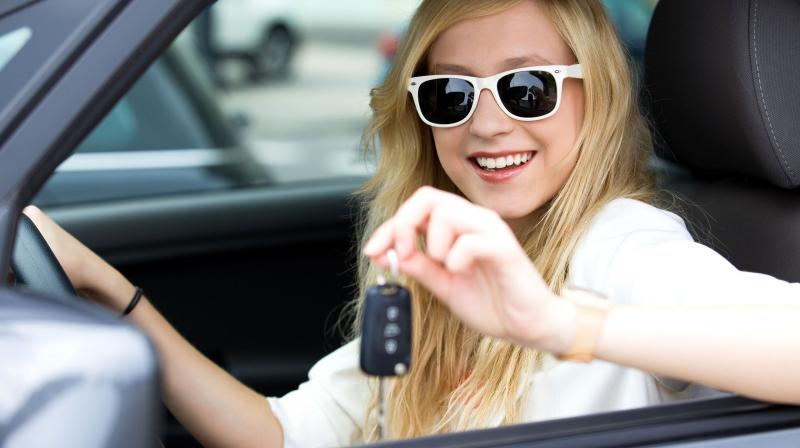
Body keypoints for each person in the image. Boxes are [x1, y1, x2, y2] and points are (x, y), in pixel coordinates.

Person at [23, 0, 800, 446]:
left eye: (526, 88)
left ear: (591, 97)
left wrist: (560, 323)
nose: (487, 125)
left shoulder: (617, 242)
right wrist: (107, 289)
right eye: (451, 95)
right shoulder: (443, 261)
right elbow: (282, 435)